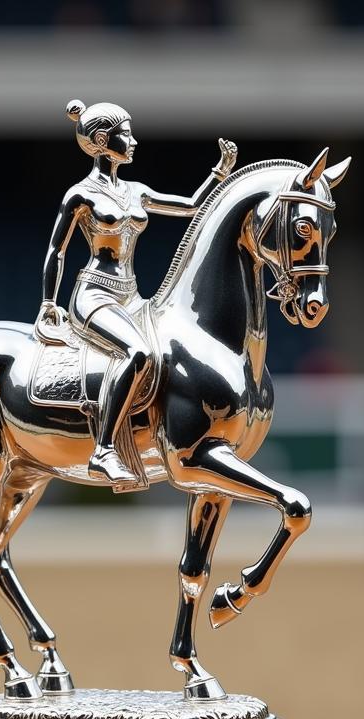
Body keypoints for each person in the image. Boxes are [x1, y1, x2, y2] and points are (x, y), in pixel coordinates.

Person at [36, 99, 237, 485]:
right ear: (100, 139)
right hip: (94, 295)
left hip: (131, 296)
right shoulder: (80, 195)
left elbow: (192, 207)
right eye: (125, 134)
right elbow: (55, 251)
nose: (134, 141)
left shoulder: (135, 191)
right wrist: (48, 302)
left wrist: (220, 172)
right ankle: (104, 450)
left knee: (174, 352)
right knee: (139, 352)